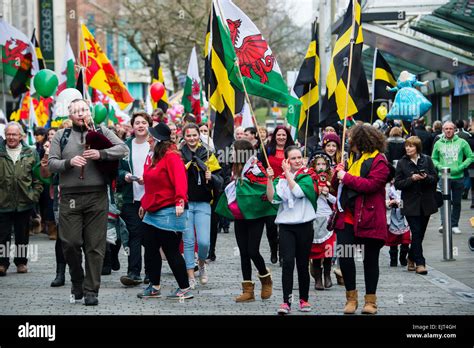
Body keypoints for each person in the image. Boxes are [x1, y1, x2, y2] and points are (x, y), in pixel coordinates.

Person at [48, 98, 129, 306]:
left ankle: (91, 290)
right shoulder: (61, 136)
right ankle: (77, 280)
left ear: (89, 112)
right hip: (70, 197)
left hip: (97, 195)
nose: (81, 113)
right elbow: (51, 164)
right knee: (71, 243)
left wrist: (101, 153)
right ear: (70, 115)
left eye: (84, 109)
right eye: (76, 111)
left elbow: (123, 149)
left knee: (95, 246)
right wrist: (69, 162)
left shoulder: (102, 131)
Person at [332, 124, 391, 315]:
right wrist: (338, 173)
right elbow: (337, 185)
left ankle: (370, 301)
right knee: (346, 257)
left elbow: (372, 185)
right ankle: (351, 298)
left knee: (370, 260)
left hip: (368, 218)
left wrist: (346, 176)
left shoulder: (379, 160)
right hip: (347, 218)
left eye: (352, 140)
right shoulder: (350, 159)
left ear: (362, 141)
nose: (349, 143)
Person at [138, 122, 193, 300]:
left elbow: (180, 180)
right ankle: (154, 286)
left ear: (158, 140)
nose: (148, 140)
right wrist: (144, 204)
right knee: (150, 247)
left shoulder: (171, 156)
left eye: (151, 137)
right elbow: (151, 184)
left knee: (170, 250)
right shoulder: (155, 157)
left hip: (169, 209)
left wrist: (180, 200)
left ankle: (184, 287)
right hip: (153, 209)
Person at [215, 140, 275, 303]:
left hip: (256, 214)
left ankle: (265, 277)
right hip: (241, 215)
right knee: (243, 252)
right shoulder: (235, 166)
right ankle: (248, 290)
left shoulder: (256, 166)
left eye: (234, 151)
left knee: (253, 251)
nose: (231, 154)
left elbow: (263, 187)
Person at [266, 146, 317, 314]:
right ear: (286, 161)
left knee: (302, 264)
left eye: (299, 157)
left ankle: (304, 299)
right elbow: (272, 198)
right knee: (288, 263)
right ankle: (286, 302)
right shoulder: (280, 179)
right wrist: (269, 179)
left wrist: (287, 173)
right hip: (286, 226)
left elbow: (299, 192)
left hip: (304, 226)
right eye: (293, 158)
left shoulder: (307, 176)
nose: (297, 161)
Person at [180, 123, 223, 288]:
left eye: (194, 135)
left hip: (204, 203)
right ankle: (190, 274)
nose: (192, 138)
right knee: (189, 241)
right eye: (188, 135)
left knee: (204, 242)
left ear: (199, 136)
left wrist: (209, 175)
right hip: (185, 203)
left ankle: (202, 264)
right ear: (184, 137)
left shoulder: (208, 154)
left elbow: (219, 179)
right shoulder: (179, 155)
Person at [0, 122, 43, 276]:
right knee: (2, 235)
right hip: (3, 202)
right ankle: (2, 263)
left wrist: (34, 195)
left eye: (14, 134)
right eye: (9, 134)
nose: (11, 137)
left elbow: (38, 178)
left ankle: (21, 262)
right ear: (5, 135)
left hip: (24, 202)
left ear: (21, 136)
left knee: (22, 235)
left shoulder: (30, 152)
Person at [116, 112, 152, 286]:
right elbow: (117, 171)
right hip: (131, 198)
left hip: (152, 198)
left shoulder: (154, 146)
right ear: (132, 126)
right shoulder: (125, 147)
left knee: (151, 236)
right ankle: (133, 272)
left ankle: (151, 273)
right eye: (137, 122)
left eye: (144, 122)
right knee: (134, 235)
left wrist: (150, 177)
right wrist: (126, 176)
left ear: (149, 125)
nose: (140, 125)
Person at [394, 136, 438, 274]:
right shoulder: (402, 163)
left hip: (426, 202)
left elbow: (435, 178)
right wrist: (411, 179)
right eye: (407, 146)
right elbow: (398, 184)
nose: (408, 148)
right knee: (416, 232)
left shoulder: (427, 160)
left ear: (417, 147)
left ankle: (411, 257)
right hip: (410, 204)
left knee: (420, 234)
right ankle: (420, 263)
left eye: (411, 146)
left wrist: (426, 178)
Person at [431, 121, 472, 234]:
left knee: (457, 202)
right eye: (446, 129)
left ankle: (454, 224)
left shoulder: (462, 142)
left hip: (458, 176)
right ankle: (444, 224)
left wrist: (461, 166)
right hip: (443, 176)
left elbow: (470, 156)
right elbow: (433, 158)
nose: (448, 130)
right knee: (444, 202)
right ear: (443, 130)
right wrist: (439, 166)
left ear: (454, 130)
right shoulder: (438, 143)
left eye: (450, 128)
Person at [262, 126, 295, 264]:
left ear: (287, 136)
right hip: (271, 190)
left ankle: (283, 253)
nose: (281, 137)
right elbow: (261, 168)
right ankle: (273, 249)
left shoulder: (293, 151)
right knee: (271, 226)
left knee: (284, 226)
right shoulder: (267, 150)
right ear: (274, 136)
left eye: (284, 135)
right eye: (278, 135)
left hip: (287, 191)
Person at [309, 152, 337, 290]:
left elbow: (337, 201)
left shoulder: (331, 180)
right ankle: (317, 278)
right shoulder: (310, 179)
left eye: (323, 164)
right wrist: (315, 192)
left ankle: (327, 275)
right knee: (315, 251)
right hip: (314, 217)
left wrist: (327, 193)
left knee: (328, 250)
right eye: (318, 164)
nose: (321, 167)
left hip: (327, 218)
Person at [385, 179, 411, 267]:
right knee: (393, 241)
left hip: (404, 218)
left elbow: (408, 201)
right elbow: (384, 201)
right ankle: (393, 259)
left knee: (406, 240)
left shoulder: (404, 186)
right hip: (392, 218)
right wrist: (390, 203)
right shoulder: (387, 188)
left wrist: (400, 203)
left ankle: (403, 257)